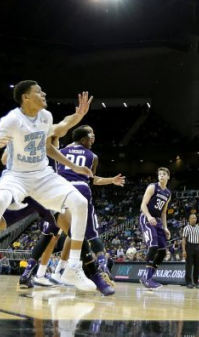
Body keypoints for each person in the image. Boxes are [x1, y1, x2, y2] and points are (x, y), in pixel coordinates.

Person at [0, 93, 92, 289]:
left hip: (46, 192)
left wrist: (78, 115)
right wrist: (11, 148)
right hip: (23, 192)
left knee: (74, 230)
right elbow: (4, 159)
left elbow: (64, 124)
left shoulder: (50, 133)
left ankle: (88, 273)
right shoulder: (21, 133)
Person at [47, 124, 125, 292]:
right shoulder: (93, 156)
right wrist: (111, 180)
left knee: (68, 234)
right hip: (81, 190)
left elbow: (54, 146)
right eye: (91, 136)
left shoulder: (63, 151)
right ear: (83, 139)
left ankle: (57, 270)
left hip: (58, 190)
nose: (93, 139)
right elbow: (92, 179)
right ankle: (101, 267)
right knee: (89, 233)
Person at [139, 167, 172, 290]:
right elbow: (143, 205)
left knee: (163, 251)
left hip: (158, 221)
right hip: (146, 218)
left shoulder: (168, 193)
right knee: (153, 246)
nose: (161, 176)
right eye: (159, 174)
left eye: (164, 174)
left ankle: (148, 277)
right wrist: (148, 217)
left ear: (168, 177)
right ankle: (147, 279)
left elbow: (164, 212)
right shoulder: (152, 187)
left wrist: (165, 227)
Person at [182, 213, 199, 288]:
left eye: (195, 218)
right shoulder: (186, 228)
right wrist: (184, 250)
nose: (195, 219)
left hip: (197, 246)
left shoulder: (198, 228)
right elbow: (184, 240)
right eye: (193, 218)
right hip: (189, 246)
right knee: (189, 265)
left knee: (197, 265)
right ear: (189, 219)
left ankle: (196, 282)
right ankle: (188, 282)